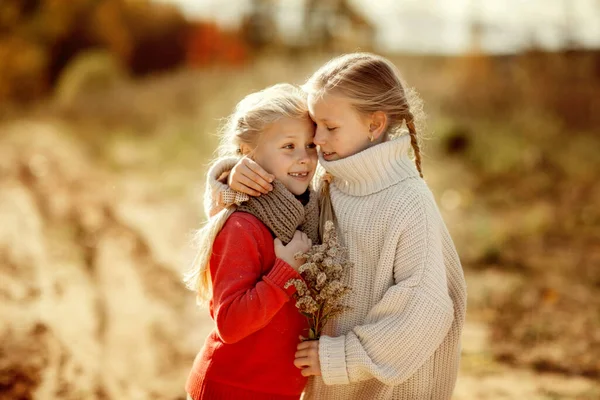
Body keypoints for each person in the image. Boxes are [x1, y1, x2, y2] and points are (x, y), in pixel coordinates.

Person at [206, 53, 467, 399]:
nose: (317, 140)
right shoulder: (330, 185)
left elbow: (426, 310)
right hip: (330, 386)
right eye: (316, 125)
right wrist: (231, 177)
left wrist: (341, 356)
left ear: (374, 125)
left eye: (330, 127)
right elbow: (248, 213)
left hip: (384, 389)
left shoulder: (407, 202)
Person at [184, 83, 321, 400]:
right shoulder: (243, 225)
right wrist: (285, 271)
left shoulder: (309, 213)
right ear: (248, 152)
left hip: (277, 390)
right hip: (231, 388)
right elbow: (229, 325)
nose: (304, 158)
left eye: (311, 146)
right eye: (289, 146)